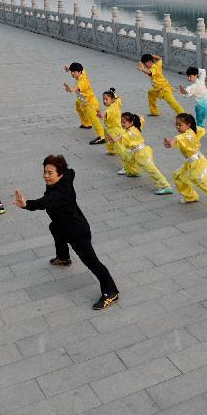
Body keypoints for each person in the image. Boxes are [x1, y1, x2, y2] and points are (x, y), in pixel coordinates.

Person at [13, 155, 119, 310]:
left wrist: (25, 204)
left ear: (59, 174)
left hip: (77, 232)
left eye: (50, 173)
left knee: (93, 263)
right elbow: (72, 171)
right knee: (54, 228)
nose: (46, 176)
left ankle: (111, 292)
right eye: (45, 172)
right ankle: (63, 258)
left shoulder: (60, 193)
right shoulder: (66, 177)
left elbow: (43, 203)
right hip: (62, 225)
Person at [164, 113, 207, 220]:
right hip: (190, 163)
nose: (177, 127)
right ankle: (190, 196)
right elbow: (201, 130)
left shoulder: (186, 135)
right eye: (176, 125)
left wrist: (170, 143)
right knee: (178, 176)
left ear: (188, 125)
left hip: (198, 164)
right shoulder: (193, 130)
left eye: (180, 125)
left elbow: (177, 139)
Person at [106, 112, 173, 195]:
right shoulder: (136, 126)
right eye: (121, 122)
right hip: (135, 152)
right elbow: (141, 120)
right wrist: (141, 117)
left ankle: (166, 186)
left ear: (131, 122)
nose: (122, 124)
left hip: (142, 154)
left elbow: (120, 137)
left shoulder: (128, 133)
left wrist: (112, 140)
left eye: (124, 122)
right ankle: (133, 172)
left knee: (151, 170)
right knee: (127, 157)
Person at [63, 62, 105, 145]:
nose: (72, 74)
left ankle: (102, 137)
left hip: (90, 103)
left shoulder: (82, 82)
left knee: (94, 119)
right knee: (78, 106)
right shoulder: (82, 71)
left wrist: (69, 89)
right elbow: (73, 66)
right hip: (82, 100)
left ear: (79, 72)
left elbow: (73, 90)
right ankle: (86, 124)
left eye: (74, 72)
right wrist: (68, 67)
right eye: (71, 72)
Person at [97, 88, 123, 156]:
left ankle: (126, 159)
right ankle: (111, 151)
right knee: (108, 141)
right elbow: (118, 98)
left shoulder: (111, 109)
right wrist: (112, 92)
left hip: (114, 129)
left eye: (106, 99)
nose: (104, 101)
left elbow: (104, 113)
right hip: (111, 127)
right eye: (103, 99)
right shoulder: (117, 102)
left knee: (117, 145)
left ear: (112, 99)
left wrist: (100, 114)